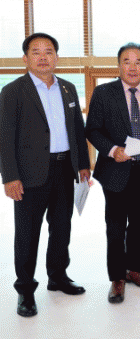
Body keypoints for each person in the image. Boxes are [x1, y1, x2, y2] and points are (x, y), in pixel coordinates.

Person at [0, 33, 91, 317]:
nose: (43, 57)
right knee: (27, 234)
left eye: (49, 51)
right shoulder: (13, 91)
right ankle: (25, 290)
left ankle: (58, 277)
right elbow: (4, 137)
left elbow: (77, 129)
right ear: (25, 58)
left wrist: (83, 164)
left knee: (61, 227)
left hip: (65, 169)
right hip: (29, 174)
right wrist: (10, 176)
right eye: (36, 52)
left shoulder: (67, 88)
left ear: (57, 57)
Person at [85, 43, 140, 304]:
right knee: (116, 227)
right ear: (119, 65)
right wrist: (113, 150)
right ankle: (117, 278)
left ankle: (133, 269)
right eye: (127, 61)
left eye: (138, 61)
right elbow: (92, 129)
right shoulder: (103, 93)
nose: (133, 67)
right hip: (115, 171)